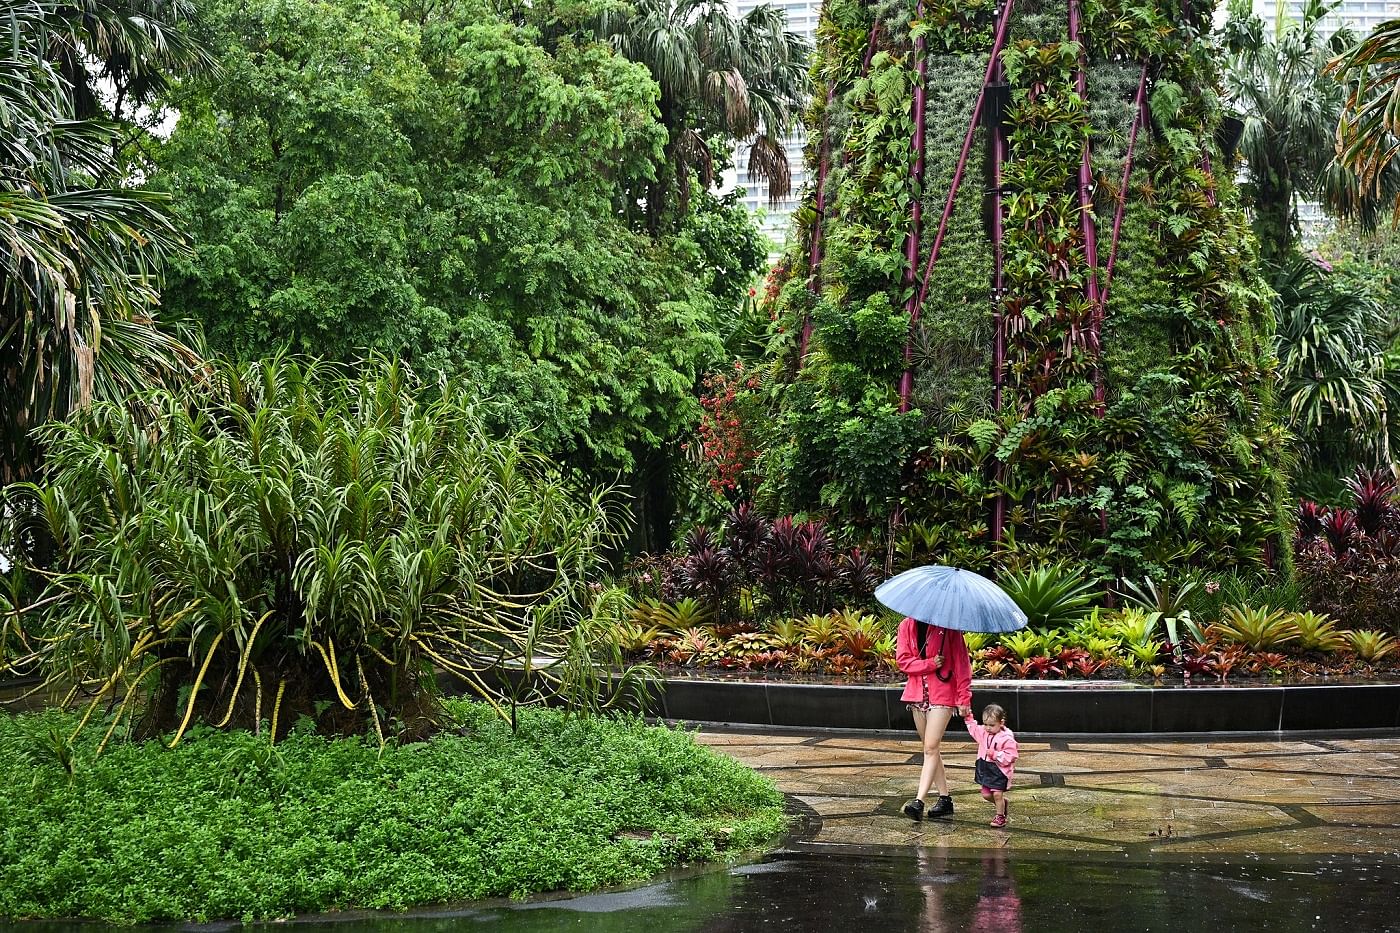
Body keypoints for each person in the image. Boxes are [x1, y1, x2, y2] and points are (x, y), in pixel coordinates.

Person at [896, 616, 972, 821]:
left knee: (930, 747)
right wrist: (930, 663)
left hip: (943, 694)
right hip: (917, 695)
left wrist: (964, 697)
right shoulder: (906, 626)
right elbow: (903, 662)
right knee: (931, 749)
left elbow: (962, 663)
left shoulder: (949, 627)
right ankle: (945, 799)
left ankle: (918, 801)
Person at [965, 703, 1018, 828]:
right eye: (986, 724)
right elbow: (973, 728)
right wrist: (968, 716)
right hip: (985, 768)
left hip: (999, 770)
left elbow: (1011, 755)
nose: (988, 728)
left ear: (1001, 723)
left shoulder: (1006, 738)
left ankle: (1000, 816)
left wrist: (995, 754)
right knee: (986, 794)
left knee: (997, 794)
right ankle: (1002, 804)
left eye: (992, 725)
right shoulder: (983, 733)